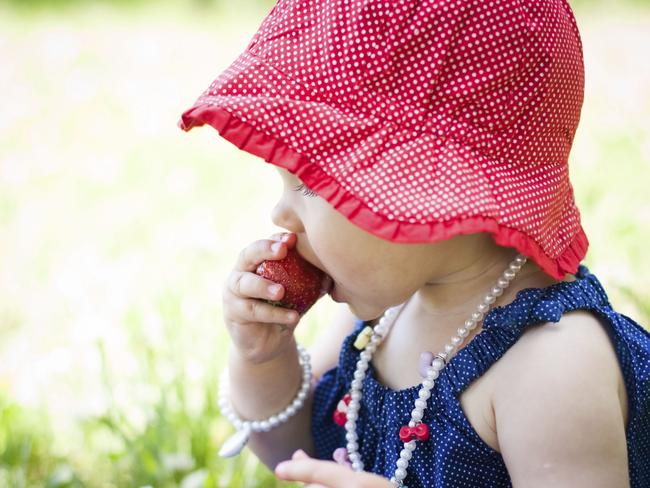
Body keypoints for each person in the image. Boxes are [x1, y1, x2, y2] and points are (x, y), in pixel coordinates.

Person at [177, 0, 650, 486]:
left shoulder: (552, 362)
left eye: (312, 185)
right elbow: (296, 453)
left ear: (436, 187)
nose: (279, 213)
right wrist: (263, 360)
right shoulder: (380, 313)